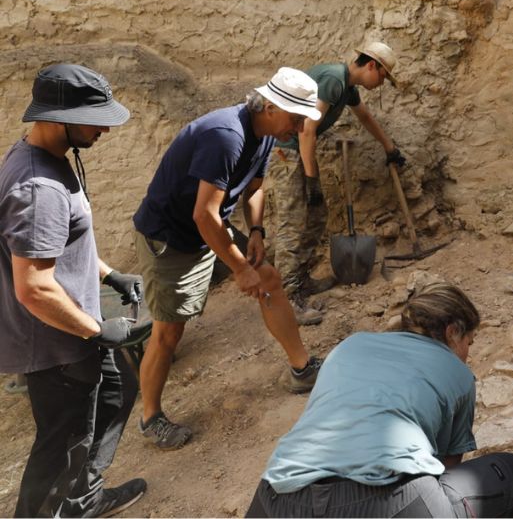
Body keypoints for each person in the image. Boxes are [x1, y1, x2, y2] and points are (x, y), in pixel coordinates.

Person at [132, 67, 325, 451]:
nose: (301, 126)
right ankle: (149, 417)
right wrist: (238, 267)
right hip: (170, 237)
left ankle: (302, 370)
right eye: (296, 117)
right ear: (270, 106)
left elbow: (255, 189)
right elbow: (203, 215)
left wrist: (256, 231)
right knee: (169, 331)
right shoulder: (225, 136)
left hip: (208, 227)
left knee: (268, 277)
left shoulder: (268, 134)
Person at [246, 283, 513, 518]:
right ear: (452, 332)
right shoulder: (457, 373)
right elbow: (446, 467)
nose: (467, 354)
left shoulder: (351, 344)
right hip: (386, 503)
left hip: (278, 494)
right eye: (468, 343)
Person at [0, 64, 146, 517]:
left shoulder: (46, 161)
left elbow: (62, 244)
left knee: (119, 391)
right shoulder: (38, 187)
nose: (104, 127)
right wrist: (99, 332)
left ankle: (84, 498)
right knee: (61, 446)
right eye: (94, 116)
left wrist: (108, 274)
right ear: (57, 116)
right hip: (57, 344)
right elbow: (35, 288)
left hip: (75, 330)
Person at [270, 41, 407, 306]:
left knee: (317, 216)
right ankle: (286, 300)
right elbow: (307, 130)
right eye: (383, 76)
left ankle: (300, 280)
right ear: (371, 65)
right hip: (286, 152)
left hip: (299, 152)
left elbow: (365, 117)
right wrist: (311, 180)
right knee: (293, 222)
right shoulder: (334, 79)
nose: (381, 83)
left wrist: (390, 148)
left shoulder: (347, 87)